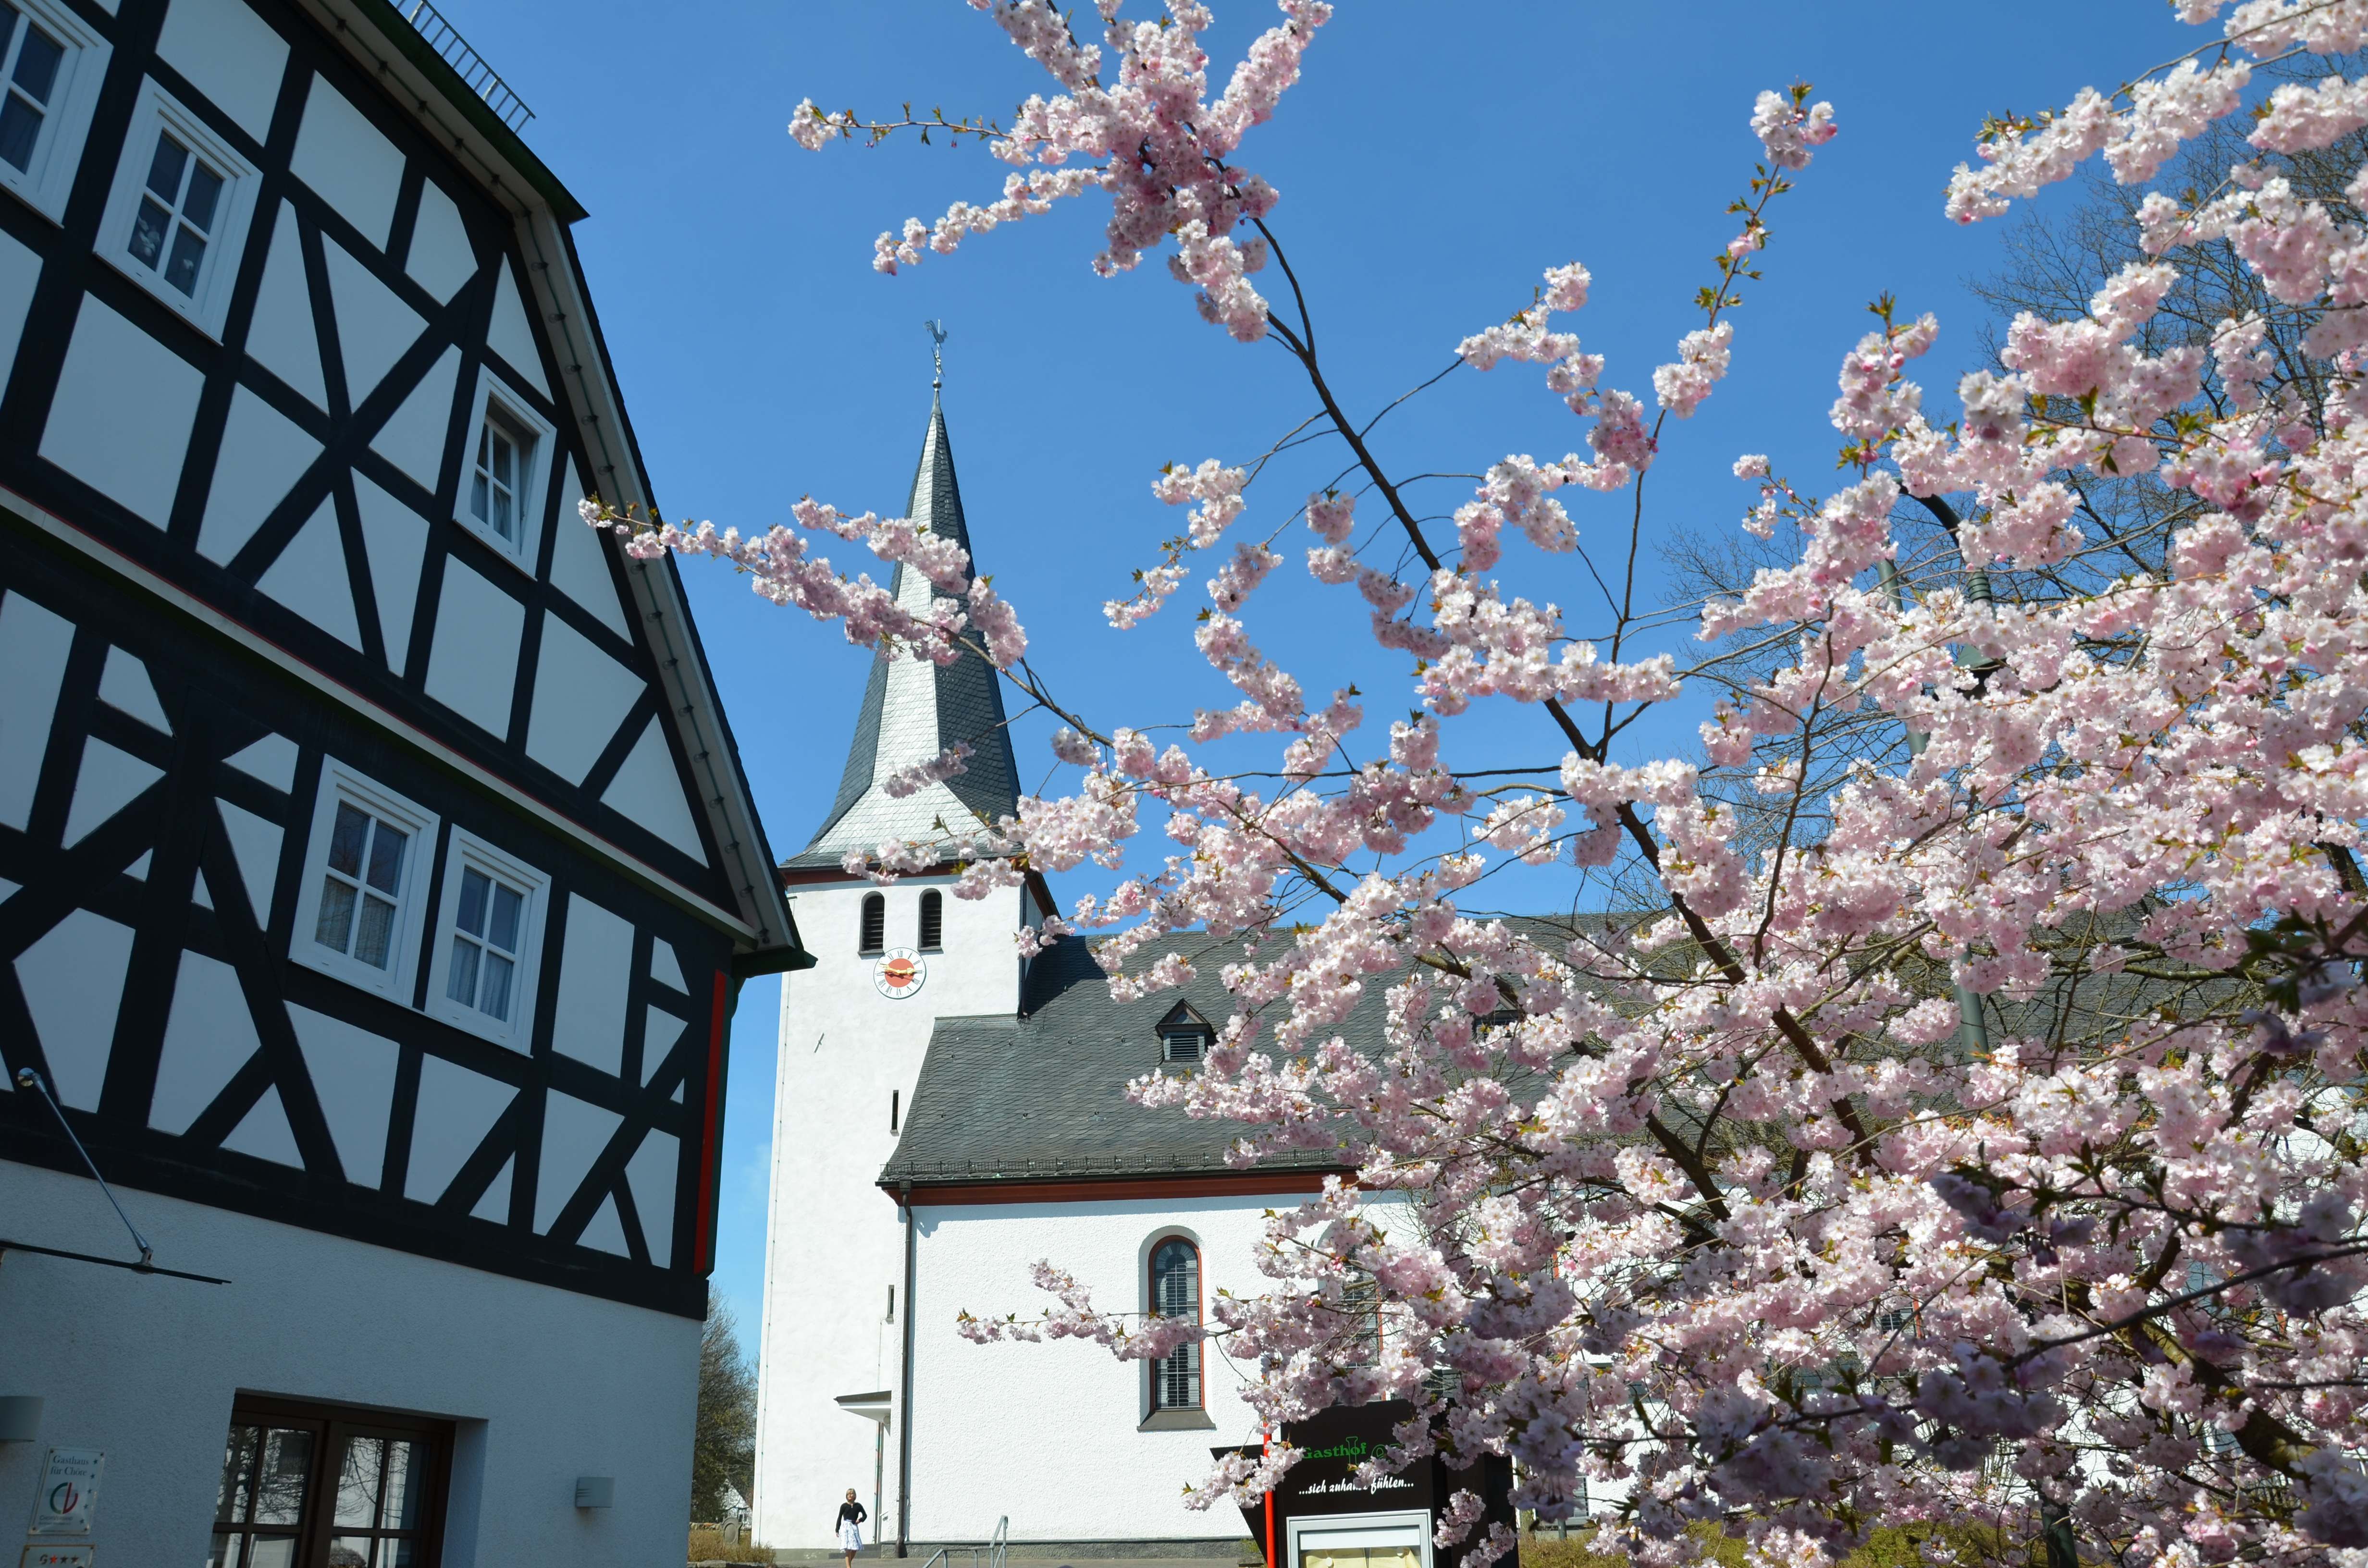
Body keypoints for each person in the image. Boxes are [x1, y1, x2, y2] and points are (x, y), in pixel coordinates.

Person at [836, 1488, 867, 1566]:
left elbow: (865, 1515)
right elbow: (839, 1517)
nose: (850, 1495)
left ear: (855, 1495)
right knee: (848, 1548)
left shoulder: (858, 1506)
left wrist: (860, 1520)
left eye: (851, 1494)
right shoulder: (844, 1506)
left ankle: (849, 1563)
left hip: (854, 1526)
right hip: (846, 1527)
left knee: (855, 1548)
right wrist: (837, 1529)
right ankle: (848, 1566)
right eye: (848, 1494)